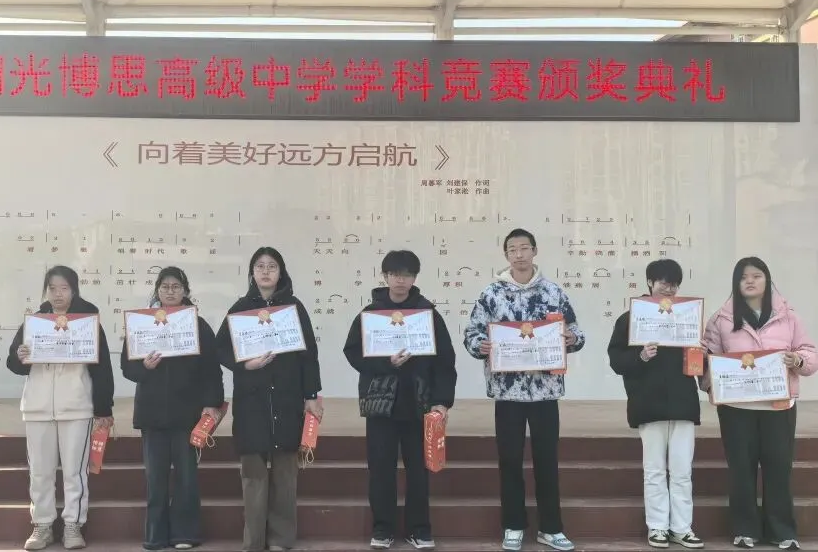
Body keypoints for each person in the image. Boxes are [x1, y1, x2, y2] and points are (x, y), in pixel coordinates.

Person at [463, 228, 585, 552]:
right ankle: (513, 525)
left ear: (534, 251)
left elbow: (575, 331)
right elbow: (472, 333)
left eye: (524, 248)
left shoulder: (553, 292)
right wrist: (480, 345)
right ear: (506, 255)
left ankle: (551, 528)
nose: (519, 254)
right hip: (508, 392)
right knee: (509, 460)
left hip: (545, 391)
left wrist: (572, 338)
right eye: (512, 249)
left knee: (547, 461)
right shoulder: (492, 293)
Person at [343, 250, 457, 551]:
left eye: (406, 275)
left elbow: (445, 361)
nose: (400, 280)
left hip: (419, 404)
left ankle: (419, 528)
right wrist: (386, 363)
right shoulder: (371, 314)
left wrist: (442, 401)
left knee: (419, 471)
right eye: (394, 274)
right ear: (385, 277)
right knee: (381, 470)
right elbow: (353, 352)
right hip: (381, 405)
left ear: (414, 278)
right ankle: (383, 528)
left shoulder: (428, 314)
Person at [701, 257, 816, 550]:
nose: (750, 281)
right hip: (736, 409)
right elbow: (707, 360)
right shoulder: (721, 319)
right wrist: (710, 378)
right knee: (741, 470)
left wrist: (797, 359)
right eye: (743, 277)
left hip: (779, 406)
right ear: (736, 283)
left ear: (767, 279)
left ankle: (783, 531)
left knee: (779, 469)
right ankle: (745, 529)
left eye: (756, 275)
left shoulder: (788, 316)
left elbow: (809, 353)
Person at [215, 247, 323, 552]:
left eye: (271, 266)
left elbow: (308, 356)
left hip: (287, 400)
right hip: (252, 403)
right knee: (253, 475)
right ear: (252, 272)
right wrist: (244, 364)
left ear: (281, 272)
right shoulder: (240, 308)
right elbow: (220, 348)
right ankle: (254, 541)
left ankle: (281, 540)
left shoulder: (294, 308)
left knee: (286, 475)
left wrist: (311, 395)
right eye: (260, 266)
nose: (265, 271)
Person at [6, 266, 115, 551]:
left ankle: (73, 526)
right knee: (39, 471)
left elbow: (103, 369)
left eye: (64, 288)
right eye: (52, 288)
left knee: (74, 472)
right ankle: (41, 525)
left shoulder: (88, 323)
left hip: (77, 407)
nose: (57, 294)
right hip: (38, 407)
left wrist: (103, 408)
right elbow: (14, 363)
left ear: (74, 290)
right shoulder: (35, 322)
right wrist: (20, 356)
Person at [122, 267, 225, 551]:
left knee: (186, 479)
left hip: (187, 415)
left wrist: (212, 403)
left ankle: (185, 534)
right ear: (157, 290)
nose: (170, 291)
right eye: (165, 286)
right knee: (155, 480)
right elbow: (127, 368)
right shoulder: (142, 323)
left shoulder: (198, 325)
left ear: (185, 291)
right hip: (152, 414)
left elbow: (212, 370)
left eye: (176, 286)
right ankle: (155, 536)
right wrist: (144, 366)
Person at [606, 259, 703, 549]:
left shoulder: (687, 317)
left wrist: (701, 353)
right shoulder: (630, 319)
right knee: (655, 470)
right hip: (648, 403)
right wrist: (641, 356)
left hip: (683, 403)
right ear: (650, 283)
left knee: (682, 471)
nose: (668, 289)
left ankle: (682, 528)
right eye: (663, 282)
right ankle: (658, 527)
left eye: (673, 284)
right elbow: (616, 361)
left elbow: (698, 361)